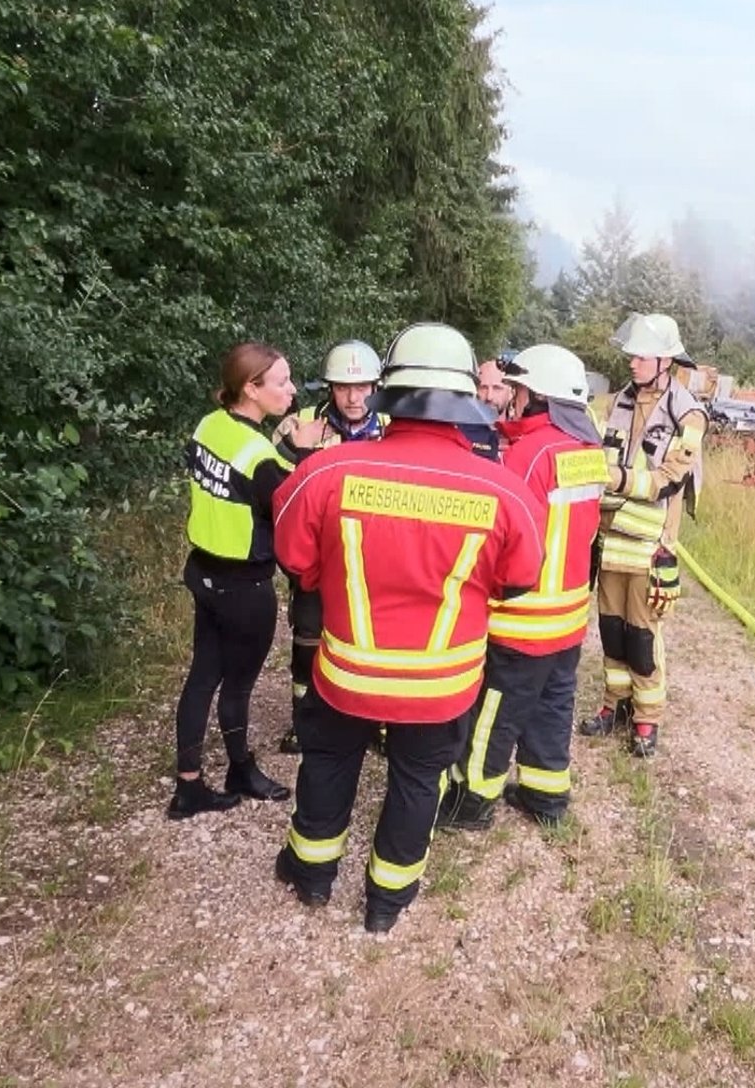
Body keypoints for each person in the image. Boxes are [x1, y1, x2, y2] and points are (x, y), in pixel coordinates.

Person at [271, 322, 544, 933]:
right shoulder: (502, 489)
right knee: (419, 780)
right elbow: (519, 578)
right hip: (441, 681)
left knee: (330, 762)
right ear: (463, 399)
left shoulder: (326, 471)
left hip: (348, 672)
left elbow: (295, 557)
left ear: (387, 392)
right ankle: (386, 903)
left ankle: (312, 876)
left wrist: (329, 578)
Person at [438, 345, 607, 830]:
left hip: (523, 617)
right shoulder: (588, 451)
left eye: (517, 389)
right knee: (553, 705)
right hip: (569, 615)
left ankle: (470, 803)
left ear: (538, 395)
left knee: (495, 713)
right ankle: (545, 795)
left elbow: (504, 533)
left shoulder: (530, 455)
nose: (511, 398)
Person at [169, 341, 320, 819]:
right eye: (281, 383)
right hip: (245, 586)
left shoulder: (208, 425)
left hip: (205, 572)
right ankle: (241, 769)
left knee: (201, 678)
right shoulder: (260, 455)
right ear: (251, 390)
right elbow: (290, 506)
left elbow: (225, 478)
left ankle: (188, 786)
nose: (292, 391)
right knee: (237, 686)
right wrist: (302, 450)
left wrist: (282, 447)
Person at [579, 313, 707, 759]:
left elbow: (668, 479)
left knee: (642, 635)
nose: (632, 361)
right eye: (631, 353)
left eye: (641, 355)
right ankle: (614, 705)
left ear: (665, 361)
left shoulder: (688, 413)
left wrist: (613, 478)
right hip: (611, 538)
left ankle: (647, 720)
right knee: (611, 631)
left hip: (651, 545)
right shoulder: (617, 402)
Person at [271, 340, 388, 756]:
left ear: (377, 385)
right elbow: (276, 492)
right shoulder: (300, 423)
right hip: (318, 560)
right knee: (308, 641)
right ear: (329, 389)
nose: (354, 398)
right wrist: (297, 449)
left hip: (376, 561)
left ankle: (373, 723)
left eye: (362, 388)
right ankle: (304, 724)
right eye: (343, 388)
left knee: (374, 644)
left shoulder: (394, 426)